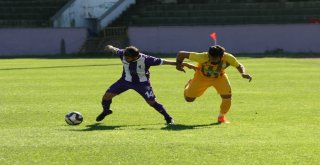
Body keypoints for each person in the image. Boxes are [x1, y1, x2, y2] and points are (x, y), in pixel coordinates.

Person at [96, 45, 194, 125]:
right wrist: (109, 47)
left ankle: (168, 118)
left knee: (151, 102)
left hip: (142, 83)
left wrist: (181, 64)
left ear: (135, 57)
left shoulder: (147, 59)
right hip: (125, 81)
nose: (125, 59)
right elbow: (115, 50)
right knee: (107, 96)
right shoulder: (123, 54)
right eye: (125, 57)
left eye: (128, 58)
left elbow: (164, 62)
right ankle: (106, 111)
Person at [176, 45, 252, 123]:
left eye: (214, 58)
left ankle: (221, 116)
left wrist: (243, 73)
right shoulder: (202, 56)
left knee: (227, 97)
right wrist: (178, 65)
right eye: (210, 57)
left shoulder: (228, 58)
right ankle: (188, 85)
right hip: (201, 77)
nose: (212, 60)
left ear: (221, 56)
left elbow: (239, 65)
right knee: (189, 99)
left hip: (219, 78)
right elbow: (181, 54)